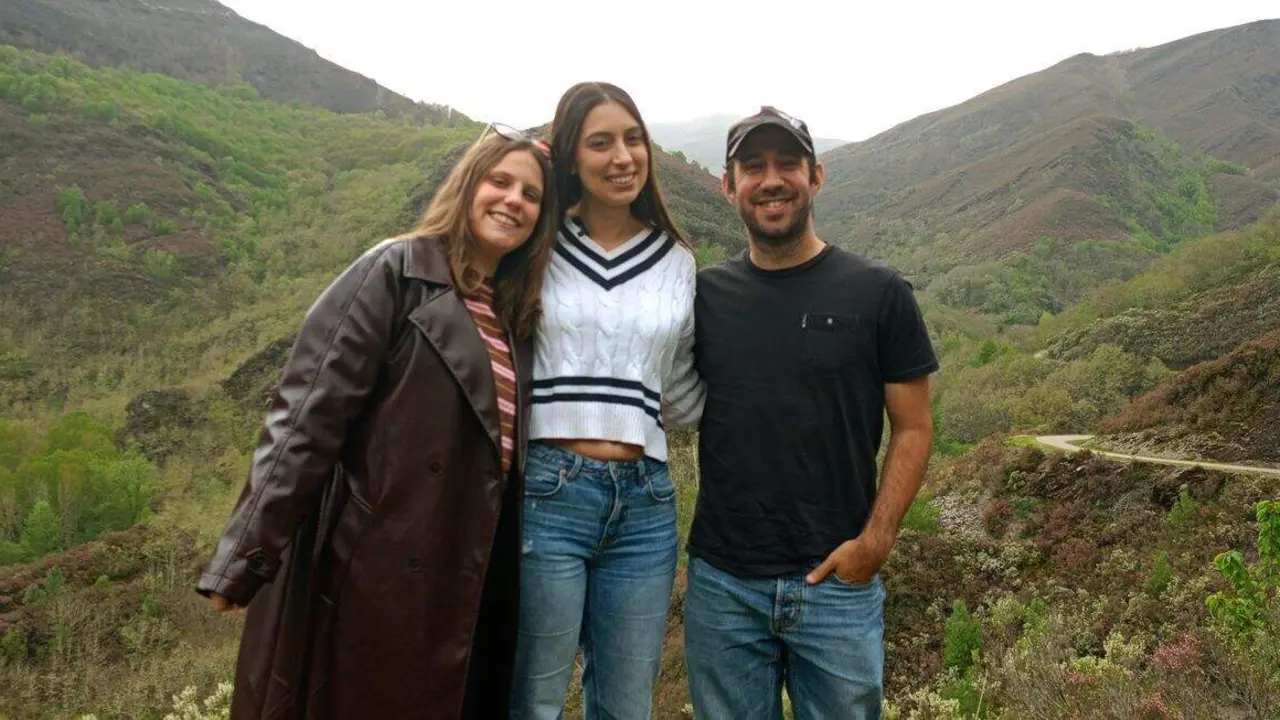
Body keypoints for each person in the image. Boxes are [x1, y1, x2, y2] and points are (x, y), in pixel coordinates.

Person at [195, 125, 558, 720]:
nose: (513, 201)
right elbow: (308, 412)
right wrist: (246, 555)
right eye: (500, 181)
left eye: (531, 195)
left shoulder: (516, 314)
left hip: (472, 568)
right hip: (377, 565)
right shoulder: (396, 272)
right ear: (469, 184)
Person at [683, 107, 938, 720]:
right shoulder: (703, 296)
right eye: (752, 167)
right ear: (728, 184)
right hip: (723, 585)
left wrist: (875, 543)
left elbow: (913, 426)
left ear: (816, 175)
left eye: (787, 164)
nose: (771, 180)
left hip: (838, 585)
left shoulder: (879, 292)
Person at [509, 82, 703, 720]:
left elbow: (675, 393)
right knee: (534, 695)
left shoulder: (677, 260)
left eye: (633, 138)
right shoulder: (534, 246)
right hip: (549, 494)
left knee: (626, 703)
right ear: (568, 158)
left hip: (646, 502)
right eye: (600, 143)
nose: (623, 156)